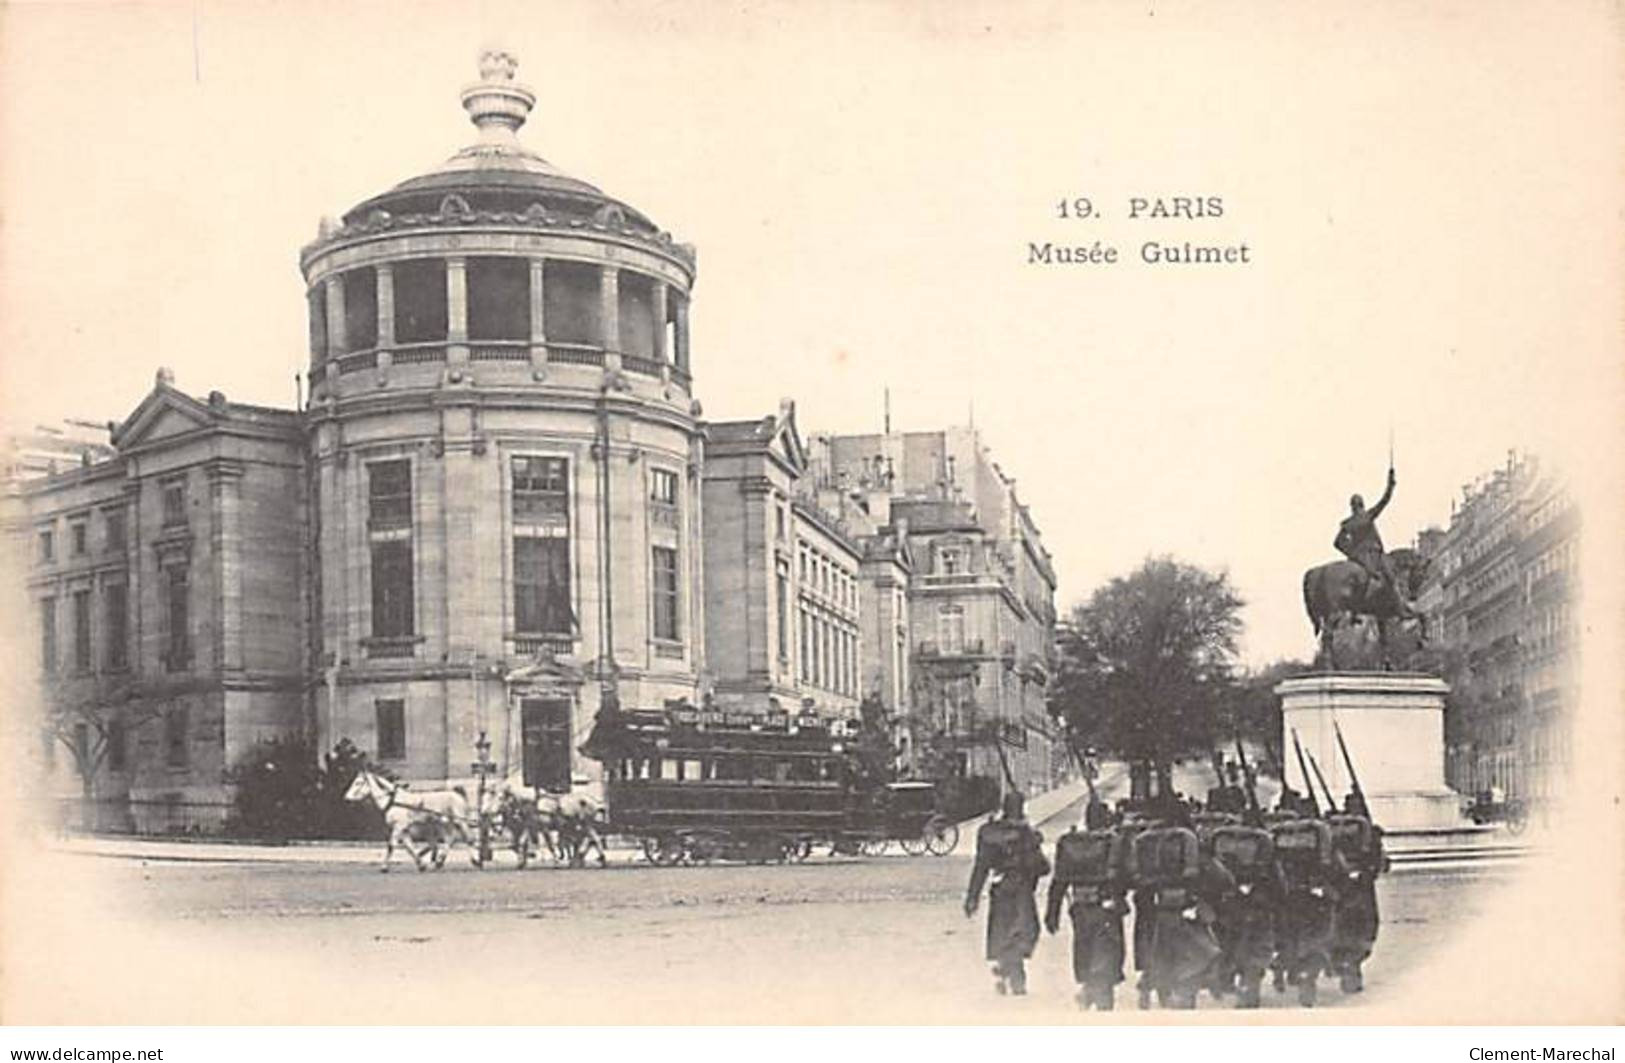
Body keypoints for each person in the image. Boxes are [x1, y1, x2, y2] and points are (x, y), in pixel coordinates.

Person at [964, 793, 1051, 995]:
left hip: (1000, 886)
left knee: (1005, 930)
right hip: (1021, 888)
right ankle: (1014, 973)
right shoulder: (1026, 833)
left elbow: (981, 866)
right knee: (1023, 930)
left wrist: (972, 896)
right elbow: (1042, 867)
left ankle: (1006, 969)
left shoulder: (990, 832)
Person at [1334, 466, 1418, 618]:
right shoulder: (1368, 516)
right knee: (1390, 578)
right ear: (1362, 505)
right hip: (1374, 556)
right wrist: (1391, 484)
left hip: (1357, 559)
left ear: (1352, 506)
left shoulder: (1347, 523)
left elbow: (1337, 543)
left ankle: (1354, 614)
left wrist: (1351, 553)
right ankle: (1400, 610)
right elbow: (1384, 501)